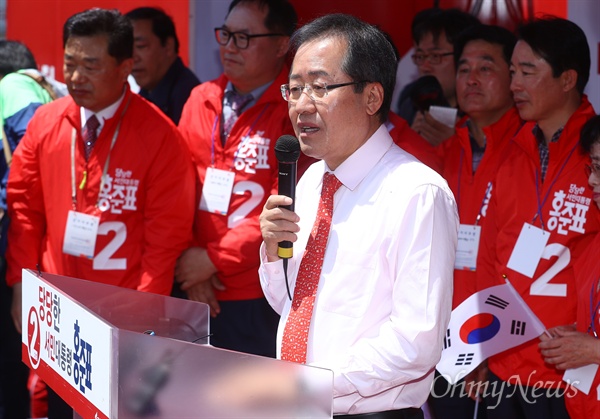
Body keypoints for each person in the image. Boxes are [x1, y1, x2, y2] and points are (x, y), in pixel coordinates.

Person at [258, 13, 459, 417]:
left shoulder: (416, 193)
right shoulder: (312, 180)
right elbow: (290, 304)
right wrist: (271, 249)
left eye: (319, 87)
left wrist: (315, 386)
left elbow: (415, 341)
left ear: (372, 97)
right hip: (299, 404)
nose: (301, 105)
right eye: (294, 89)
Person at [5, 8, 195, 418]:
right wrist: (22, 283)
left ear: (125, 66)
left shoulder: (160, 136)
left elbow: (166, 239)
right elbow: (24, 208)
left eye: (91, 65)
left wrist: (143, 319)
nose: (75, 77)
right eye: (70, 63)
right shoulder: (47, 122)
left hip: (122, 318)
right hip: (59, 307)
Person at [476, 17, 599, 419]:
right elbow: (491, 255)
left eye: (528, 71)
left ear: (567, 79)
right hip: (503, 362)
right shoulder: (511, 149)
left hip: (569, 370)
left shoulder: (593, 153)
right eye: (513, 71)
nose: (514, 84)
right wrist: (479, 343)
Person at [176, 0, 299, 358]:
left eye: (244, 37)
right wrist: (191, 263)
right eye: (226, 34)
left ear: (281, 45)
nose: (229, 46)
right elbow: (176, 189)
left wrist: (212, 260)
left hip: (259, 289)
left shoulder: (293, 110)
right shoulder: (201, 98)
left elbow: (285, 201)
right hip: (195, 282)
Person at [429, 24, 521, 419]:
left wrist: (483, 344)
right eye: (464, 68)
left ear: (514, 77)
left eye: (486, 67)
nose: (471, 78)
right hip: (442, 337)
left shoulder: (529, 152)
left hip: (506, 343)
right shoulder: (446, 151)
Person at [539, 115, 600, 419]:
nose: (591, 180)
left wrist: (594, 350)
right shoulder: (591, 247)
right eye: (592, 167)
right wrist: (578, 334)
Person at [397, 8, 480, 147]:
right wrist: (410, 142)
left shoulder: (483, 110)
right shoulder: (410, 102)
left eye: (435, 56)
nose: (425, 66)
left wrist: (456, 145)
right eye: (421, 56)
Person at [125, 6, 200, 124]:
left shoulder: (189, 99)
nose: (133, 58)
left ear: (168, 46)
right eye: (127, 49)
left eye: (141, 46)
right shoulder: (144, 93)